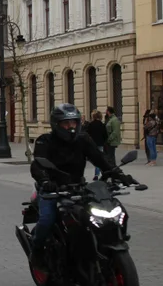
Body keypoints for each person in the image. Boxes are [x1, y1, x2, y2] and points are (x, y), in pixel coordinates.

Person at [29, 104, 133, 268]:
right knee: (46, 219)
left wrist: (118, 174)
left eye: (74, 123)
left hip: (78, 188)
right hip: (53, 190)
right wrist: (45, 182)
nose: (71, 127)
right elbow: (37, 165)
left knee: (106, 214)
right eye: (66, 123)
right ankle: (36, 251)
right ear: (57, 124)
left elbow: (99, 159)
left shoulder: (83, 139)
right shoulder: (45, 140)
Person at [86, 111, 108, 177]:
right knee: (100, 159)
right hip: (100, 144)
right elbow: (105, 135)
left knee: (95, 159)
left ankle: (97, 174)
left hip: (92, 144)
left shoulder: (90, 124)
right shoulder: (102, 125)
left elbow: (87, 134)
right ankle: (99, 173)